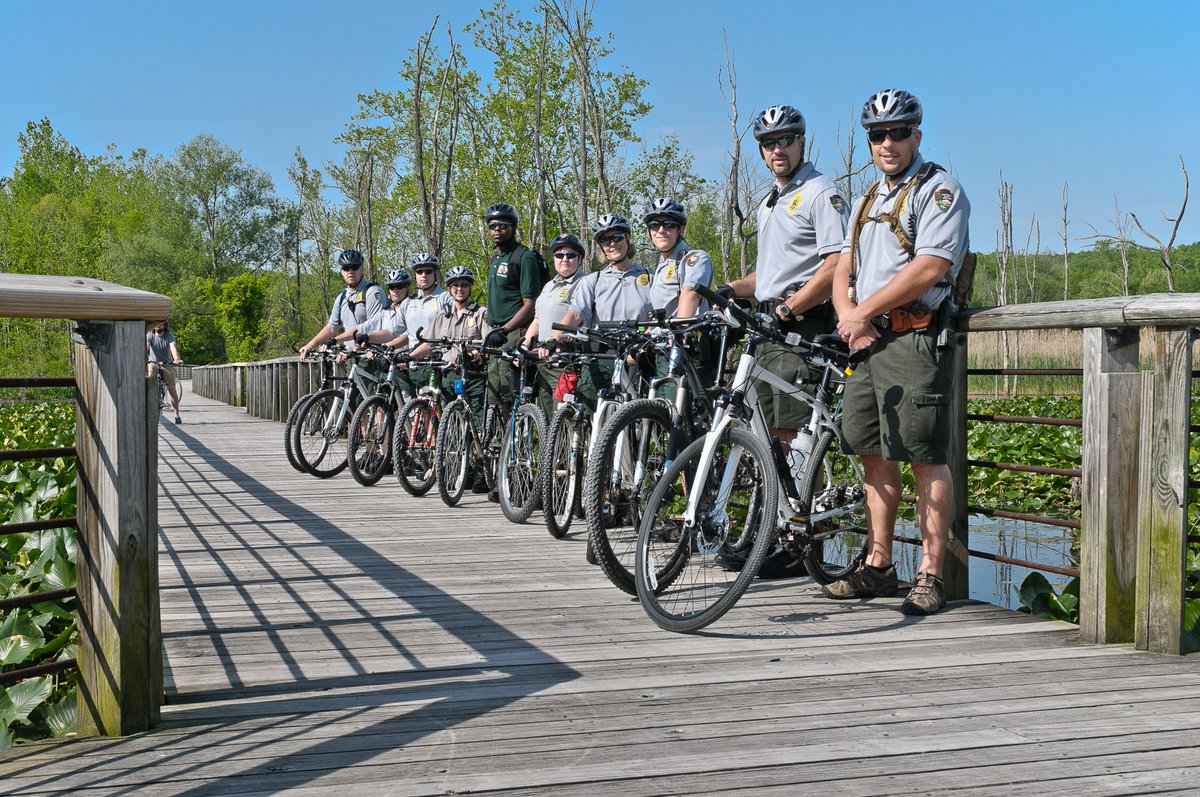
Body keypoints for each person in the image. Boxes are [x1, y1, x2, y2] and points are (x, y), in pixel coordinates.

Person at [827, 88, 971, 616]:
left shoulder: (939, 190)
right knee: (872, 452)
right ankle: (879, 565)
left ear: (917, 134)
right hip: (865, 342)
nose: (887, 143)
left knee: (925, 457)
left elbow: (930, 267)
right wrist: (848, 312)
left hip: (913, 336)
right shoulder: (867, 198)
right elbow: (844, 265)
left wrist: (864, 312)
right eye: (877, 135)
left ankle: (931, 574)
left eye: (898, 132)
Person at [716, 104, 849, 449]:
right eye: (769, 142)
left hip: (802, 326)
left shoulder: (821, 193)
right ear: (761, 151)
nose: (778, 149)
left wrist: (788, 309)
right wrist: (730, 288)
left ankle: (803, 503)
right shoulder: (770, 202)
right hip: (768, 327)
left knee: (795, 435)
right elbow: (768, 273)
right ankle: (777, 505)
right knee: (765, 434)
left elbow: (837, 263)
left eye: (785, 139)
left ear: (801, 142)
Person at [549, 213, 654, 411]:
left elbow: (658, 315)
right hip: (603, 351)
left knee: (639, 413)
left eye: (617, 237)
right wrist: (556, 337)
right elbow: (576, 313)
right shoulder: (593, 280)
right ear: (601, 247)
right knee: (593, 407)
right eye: (606, 240)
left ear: (627, 239)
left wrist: (646, 340)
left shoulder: (649, 277)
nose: (612, 244)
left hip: (639, 350)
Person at [407, 265, 493, 493]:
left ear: (470, 287)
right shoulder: (442, 316)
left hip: (472, 377)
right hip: (447, 377)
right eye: (455, 285)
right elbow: (428, 343)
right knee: (451, 424)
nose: (459, 289)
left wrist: (476, 353)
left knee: (476, 424)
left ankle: (480, 470)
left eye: (464, 285)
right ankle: (459, 470)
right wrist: (409, 356)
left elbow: (488, 342)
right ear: (449, 289)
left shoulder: (479, 312)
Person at [642, 197, 716, 397]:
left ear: (680, 229)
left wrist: (681, 331)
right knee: (663, 413)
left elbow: (690, 293)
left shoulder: (693, 258)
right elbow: (665, 309)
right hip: (663, 350)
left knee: (684, 416)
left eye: (669, 224)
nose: (661, 230)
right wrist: (644, 334)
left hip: (689, 350)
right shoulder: (661, 266)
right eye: (654, 225)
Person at [481, 203, 543, 424]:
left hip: (515, 331)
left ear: (513, 227)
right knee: (495, 393)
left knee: (512, 392)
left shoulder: (523, 257)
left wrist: (506, 329)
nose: (497, 229)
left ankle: (516, 446)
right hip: (496, 332)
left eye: (503, 225)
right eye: (492, 225)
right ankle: (500, 446)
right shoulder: (496, 258)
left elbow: (531, 304)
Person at [524, 233, 588, 423]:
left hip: (565, 357)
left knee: (562, 413)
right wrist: (525, 343)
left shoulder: (583, 283)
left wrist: (556, 340)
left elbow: (577, 316)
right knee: (545, 417)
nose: (565, 259)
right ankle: (549, 452)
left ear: (580, 259)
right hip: (542, 358)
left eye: (571, 255)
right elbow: (537, 319)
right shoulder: (548, 286)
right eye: (560, 255)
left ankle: (569, 451)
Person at [299, 249, 387, 360]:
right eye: (346, 268)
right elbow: (332, 328)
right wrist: (310, 346)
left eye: (354, 267)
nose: (350, 271)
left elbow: (375, 326)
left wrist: (352, 346)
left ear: (361, 269)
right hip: (349, 357)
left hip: (371, 357)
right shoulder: (342, 297)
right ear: (341, 271)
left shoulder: (372, 292)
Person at [147, 320, 184, 424]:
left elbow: (173, 347)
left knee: (172, 390)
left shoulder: (169, 335)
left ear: (164, 325)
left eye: (160, 324)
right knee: (150, 374)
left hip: (167, 363)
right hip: (153, 362)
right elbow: (145, 347)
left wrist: (176, 359)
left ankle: (176, 414)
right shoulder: (150, 335)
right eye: (156, 325)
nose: (158, 327)